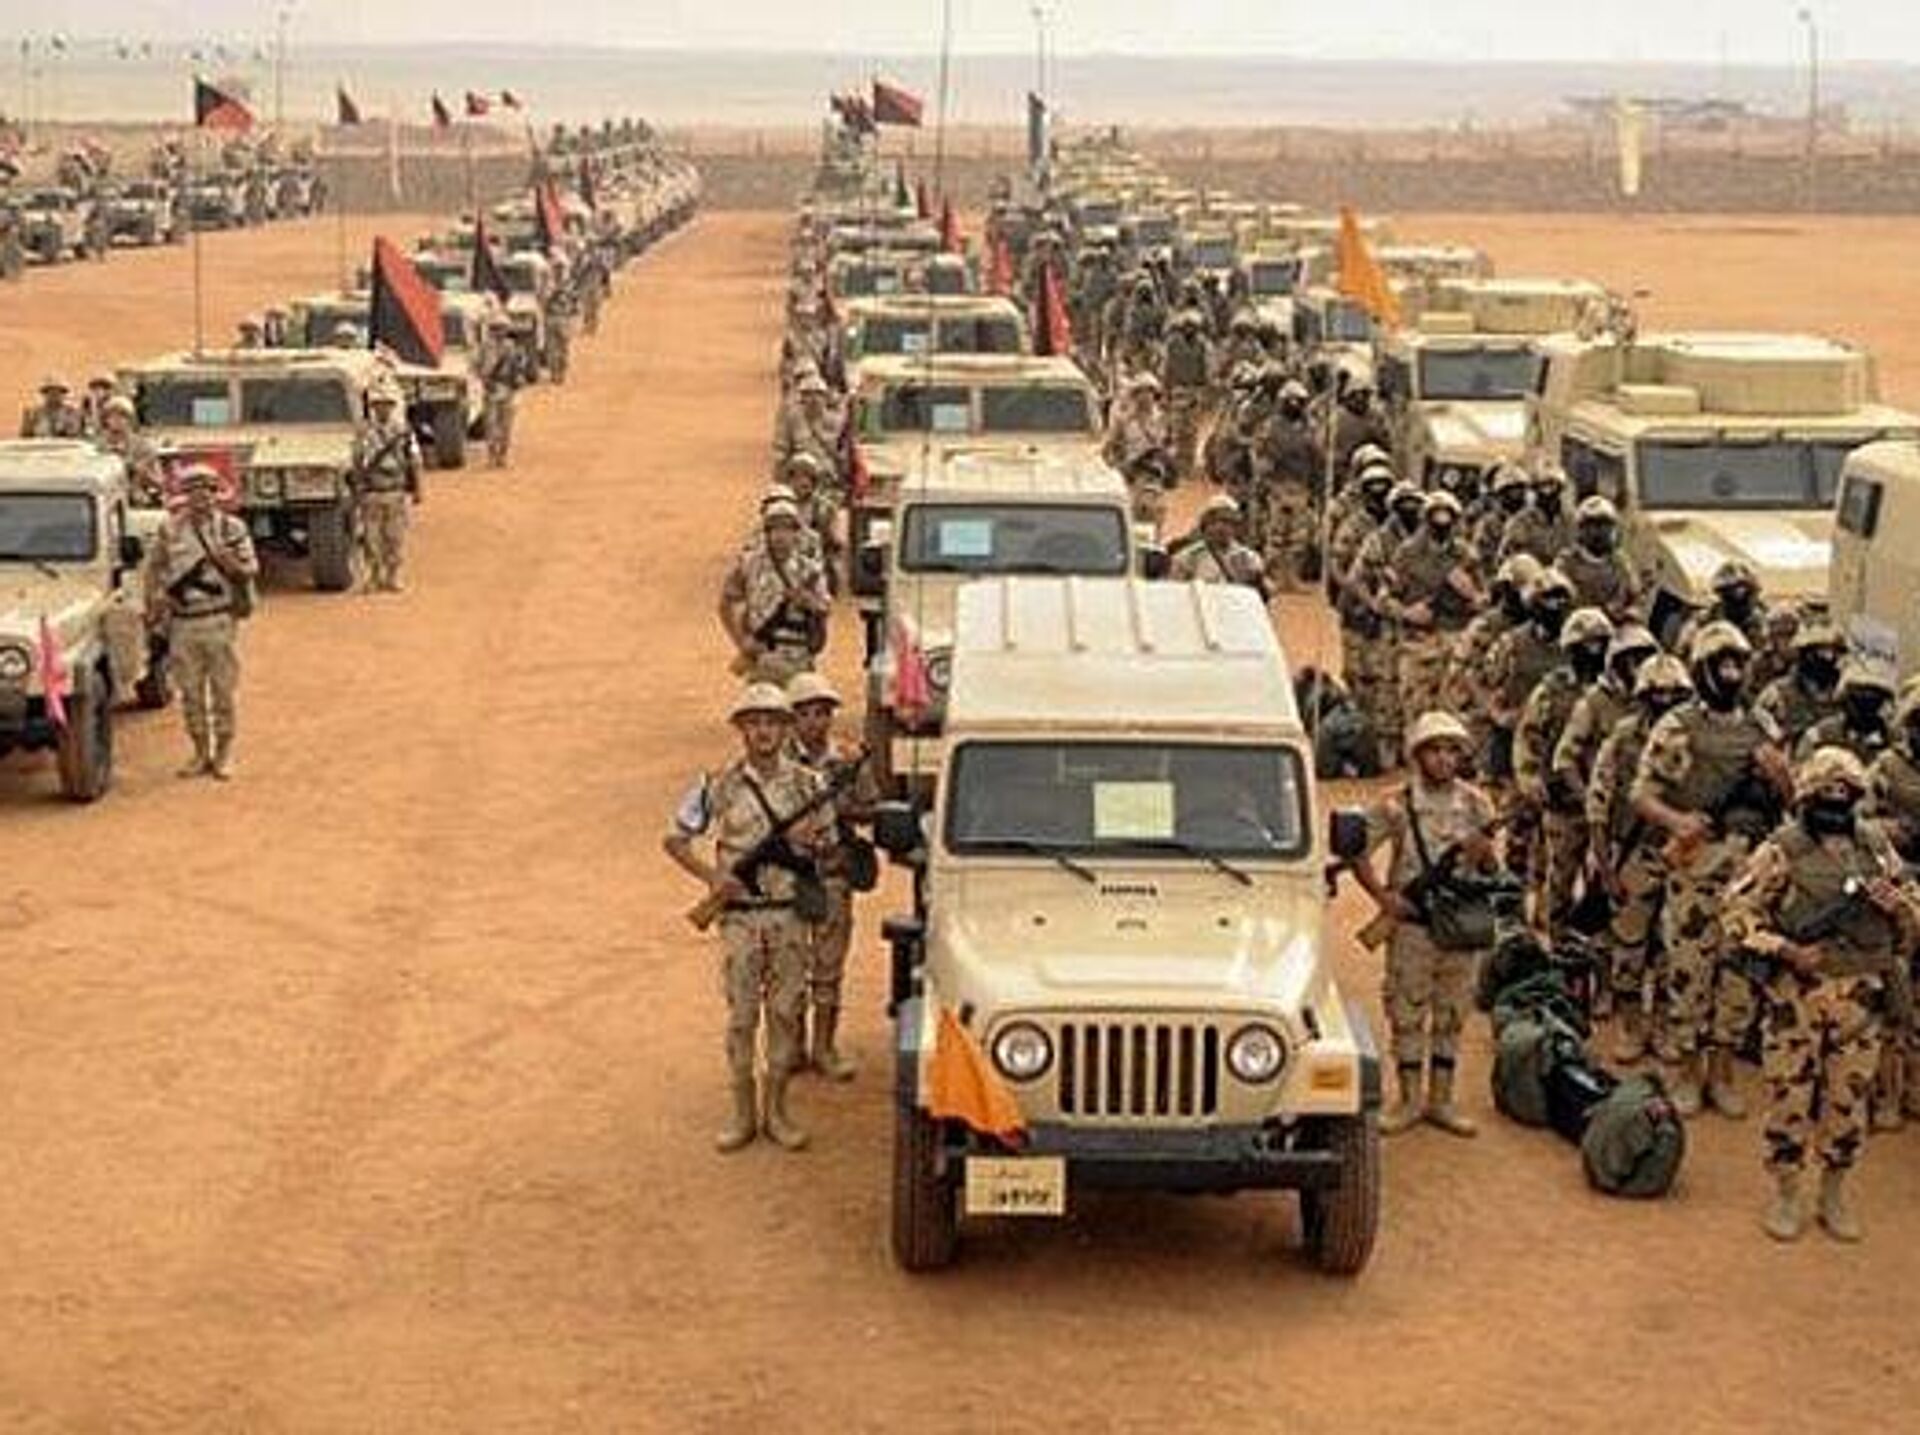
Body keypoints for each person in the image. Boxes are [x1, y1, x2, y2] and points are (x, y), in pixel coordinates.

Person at [1722, 747, 1918, 1242]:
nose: (1836, 798)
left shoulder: (1875, 846)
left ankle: (1833, 1192)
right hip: (1797, 997)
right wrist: (1786, 949)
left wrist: (1898, 906)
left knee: (1847, 1099)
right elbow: (1735, 913)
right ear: (1808, 793)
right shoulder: (1782, 849)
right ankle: (1788, 1192)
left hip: (1861, 997)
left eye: (1844, 790)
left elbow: (1913, 912)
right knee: (1790, 1095)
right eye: (1827, 789)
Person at [1631, 620, 1792, 1117]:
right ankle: (1685, 1072)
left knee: (1739, 974)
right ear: (1701, 669)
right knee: (1688, 971)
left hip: (1751, 869)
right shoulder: (1677, 726)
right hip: (1698, 862)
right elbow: (1641, 794)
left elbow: (1792, 801)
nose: (1731, 673)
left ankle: (1721, 1073)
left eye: (1738, 663)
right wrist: (1679, 822)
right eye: (1721, 664)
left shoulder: (1763, 725)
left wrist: (1780, 775)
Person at [663, 684, 829, 1152]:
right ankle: (742, 1115)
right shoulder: (719, 784)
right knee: (741, 1017)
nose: (763, 731)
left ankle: (777, 1112)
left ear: (786, 728)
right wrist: (714, 878)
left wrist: (810, 843)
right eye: (754, 723)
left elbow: (831, 846)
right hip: (739, 918)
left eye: (772, 722)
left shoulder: (809, 786)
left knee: (785, 1013)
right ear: (740, 729)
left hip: (788, 916)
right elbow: (675, 839)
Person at [1348, 710, 1502, 1137]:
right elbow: (1355, 851)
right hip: (1413, 925)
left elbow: (1493, 871)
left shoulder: (1476, 804)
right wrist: (1384, 897)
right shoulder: (1396, 803)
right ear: (1417, 754)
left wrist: (1482, 855)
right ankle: (1409, 1100)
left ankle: (1441, 1100)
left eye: (1452, 750)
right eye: (1434, 749)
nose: (1444, 758)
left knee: (1452, 1013)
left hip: (1460, 923)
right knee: (1407, 1009)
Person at [1588, 654, 1696, 1061]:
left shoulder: (1695, 738)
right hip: (1632, 853)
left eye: (1674, 694)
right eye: (1657, 693)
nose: (1665, 701)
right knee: (1628, 947)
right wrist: (1605, 868)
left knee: (1673, 948)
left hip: (1683, 855)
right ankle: (1631, 1027)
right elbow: (1598, 802)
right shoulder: (1622, 739)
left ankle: (1665, 1026)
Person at [786, 672, 880, 1081]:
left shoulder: (847, 760)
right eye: (805, 714)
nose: (815, 722)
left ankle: (824, 1047)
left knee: (828, 966)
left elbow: (872, 808)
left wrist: (839, 810)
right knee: (787, 967)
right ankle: (791, 1048)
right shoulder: (776, 764)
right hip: (787, 874)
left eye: (822, 713)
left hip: (832, 871)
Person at [142, 463, 259, 780]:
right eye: (193, 491)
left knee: (222, 692)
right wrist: (155, 602)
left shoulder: (230, 528)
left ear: (215, 493)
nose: (201, 497)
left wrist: (228, 562)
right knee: (190, 693)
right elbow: (154, 569)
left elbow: (250, 569)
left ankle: (223, 753)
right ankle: (199, 751)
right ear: (185, 495)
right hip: (183, 623)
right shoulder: (170, 530)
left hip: (218, 618)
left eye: (206, 490)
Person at [1514, 607, 1614, 932]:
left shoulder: (1617, 691)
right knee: (1560, 878)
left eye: (1601, 643)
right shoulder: (1552, 690)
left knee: (1608, 880)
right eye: (1588, 644)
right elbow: (1527, 735)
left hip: (1607, 804)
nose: (1595, 651)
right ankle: (1554, 942)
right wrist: (1529, 777)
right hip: (1563, 801)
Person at [719, 498, 831, 684]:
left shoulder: (810, 569)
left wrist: (808, 601)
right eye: (775, 528)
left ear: (796, 533)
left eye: (787, 528)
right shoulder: (748, 565)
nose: (780, 535)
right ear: (766, 532)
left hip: (800, 658)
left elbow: (825, 609)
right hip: (763, 659)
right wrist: (742, 642)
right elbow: (725, 605)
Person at [349, 382, 422, 593]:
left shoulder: (403, 432)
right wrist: (357, 487)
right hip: (372, 491)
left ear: (392, 407)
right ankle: (373, 576)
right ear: (373, 407)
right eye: (379, 405)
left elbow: (414, 460)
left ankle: (392, 576)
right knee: (371, 538)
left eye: (387, 405)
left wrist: (418, 489)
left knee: (395, 537)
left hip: (395, 490)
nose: (383, 409)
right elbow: (357, 459)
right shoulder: (364, 432)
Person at [1756, 621, 1845, 753]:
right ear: (1806, 653)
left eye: (1833, 652)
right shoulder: (1780, 690)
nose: (1829, 657)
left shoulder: (1843, 692)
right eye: (1822, 651)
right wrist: (1776, 734)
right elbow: (1758, 714)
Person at [1556, 494, 1640, 621]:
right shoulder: (1567, 563)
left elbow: (1635, 598)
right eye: (1593, 526)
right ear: (1581, 530)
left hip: (1615, 625)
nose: (1600, 532)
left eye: (1606, 526)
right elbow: (1559, 603)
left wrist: (1627, 613)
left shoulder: (1620, 562)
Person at [1169, 493, 1267, 592]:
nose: (1220, 527)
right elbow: (1176, 592)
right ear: (1205, 525)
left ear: (1235, 526)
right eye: (1214, 522)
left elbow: (1257, 595)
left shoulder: (1249, 559)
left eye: (1227, 522)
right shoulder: (1187, 559)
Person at [93, 394, 164, 506]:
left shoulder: (143, 446)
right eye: (112, 416)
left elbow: (159, 482)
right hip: (106, 502)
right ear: (106, 420)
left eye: (122, 416)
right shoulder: (98, 447)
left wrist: (138, 470)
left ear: (130, 420)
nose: (117, 420)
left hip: (137, 503)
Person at [480, 315, 531, 468]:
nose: (498, 332)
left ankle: (502, 455)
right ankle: (491, 456)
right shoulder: (484, 347)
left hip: (508, 389)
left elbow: (520, 368)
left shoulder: (512, 348)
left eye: (501, 328)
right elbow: (476, 366)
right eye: (495, 328)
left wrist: (518, 380)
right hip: (491, 390)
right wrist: (485, 380)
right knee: (490, 426)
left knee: (506, 426)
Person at [20, 375, 85, 439]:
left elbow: (75, 435)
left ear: (63, 394)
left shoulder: (72, 413)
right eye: (50, 391)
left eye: (58, 392)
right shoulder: (33, 414)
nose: (54, 395)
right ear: (45, 393)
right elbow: (25, 438)